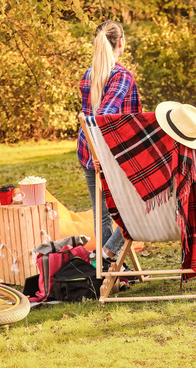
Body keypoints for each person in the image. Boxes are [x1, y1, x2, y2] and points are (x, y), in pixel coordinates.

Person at [77, 20, 141, 270]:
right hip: (110, 154)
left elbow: (88, 117)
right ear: (121, 42)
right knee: (139, 204)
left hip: (88, 151)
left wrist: (94, 151)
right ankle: (107, 253)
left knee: (102, 215)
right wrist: (99, 152)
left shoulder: (89, 75)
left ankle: (108, 266)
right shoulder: (122, 76)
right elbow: (101, 118)